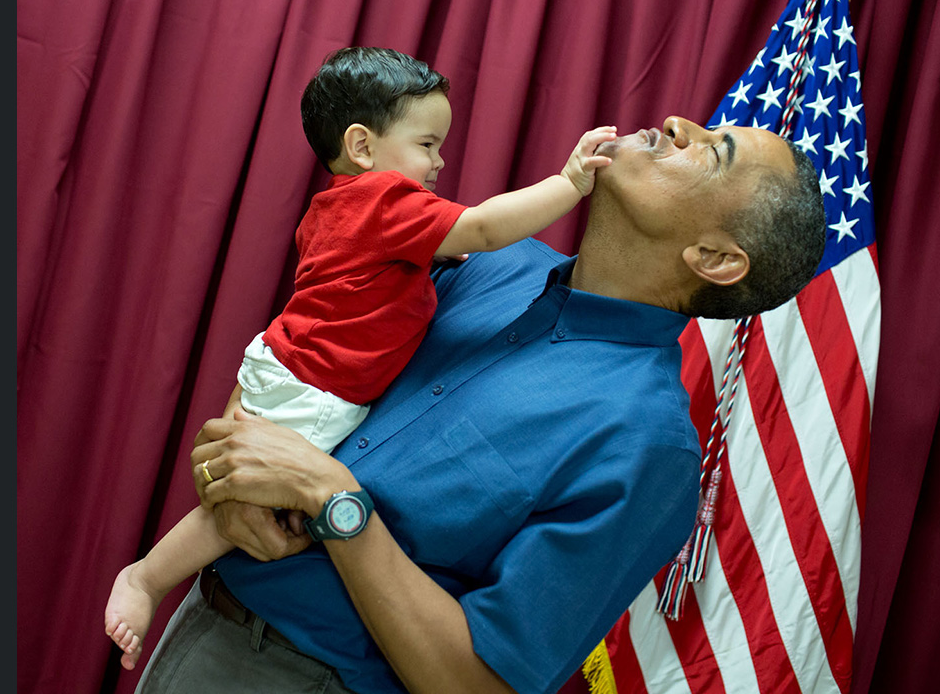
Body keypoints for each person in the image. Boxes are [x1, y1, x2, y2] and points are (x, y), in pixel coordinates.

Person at [134, 114, 826, 694]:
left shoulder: (647, 445)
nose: (680, 125)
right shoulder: (482, 257)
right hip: (197, 619)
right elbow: (297, 359)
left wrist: (335, 500)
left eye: (714, 150)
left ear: (715, 258)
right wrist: (234, 468)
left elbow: (479, 685)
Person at [103, 46, 618, 671]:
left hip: (287, 362)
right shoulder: (383, 201)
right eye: (427, 144)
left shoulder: (340, 206)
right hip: (314, 386)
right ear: (363, 146)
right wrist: (568, 184)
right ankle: (147, 577)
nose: (440, 161)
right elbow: (482, 228)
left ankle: (152, 576)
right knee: (244, 504)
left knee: (246, 491)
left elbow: (364, 285)